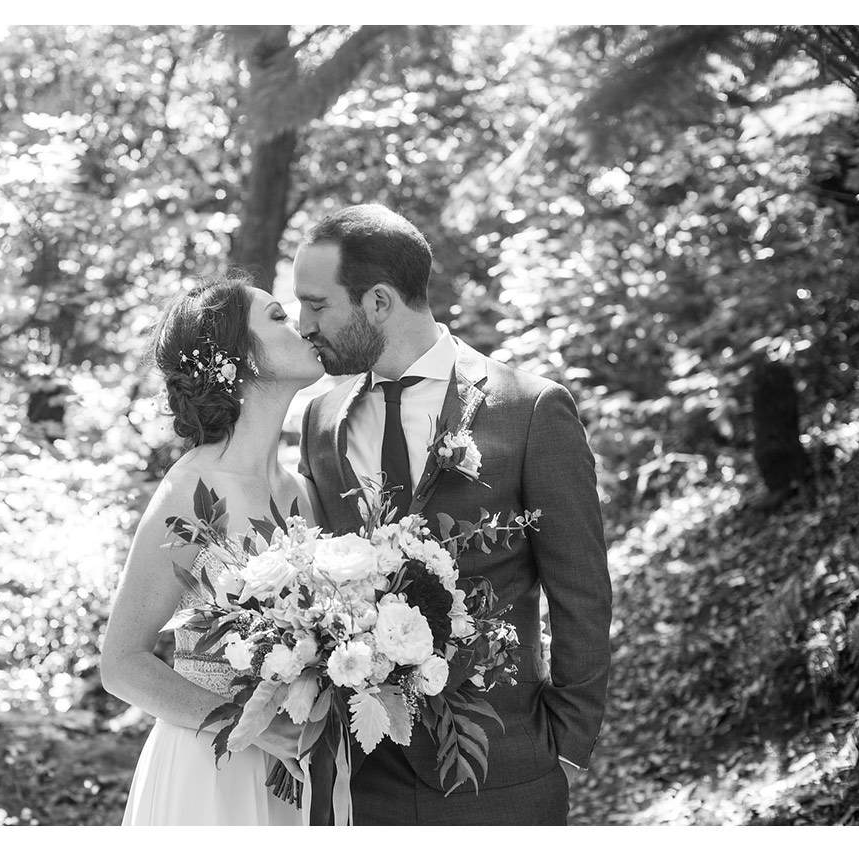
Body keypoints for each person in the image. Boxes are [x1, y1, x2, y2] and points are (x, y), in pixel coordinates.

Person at [295, 204, 612, 825]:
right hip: (360, 775)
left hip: (502, 768)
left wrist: (568, 741)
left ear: (379, 302)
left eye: (317, 305)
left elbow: (580, 585)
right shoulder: (321, 419)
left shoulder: (529, 409)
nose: (304, 325)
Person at [100, 273, 325, 825]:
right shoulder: (190, 494)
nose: (300, 325)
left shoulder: (301, 490)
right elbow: (121, 663)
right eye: (277, 317)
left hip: (296, 769)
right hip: (210, 769)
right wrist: (245, 724)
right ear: (239, 359)